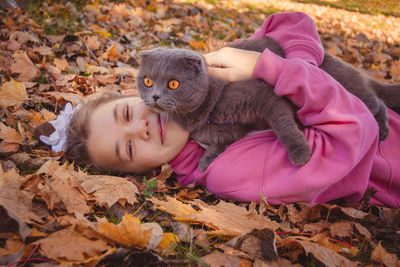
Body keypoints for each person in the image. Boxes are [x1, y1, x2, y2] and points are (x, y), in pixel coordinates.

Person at [39, 12, 400, 208]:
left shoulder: (198, 85)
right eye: (130, 148)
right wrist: (274, 69)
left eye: (128, 114)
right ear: (145, 175)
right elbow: (356, 131)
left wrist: (300, 64)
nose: (142, 128)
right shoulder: (228, 172)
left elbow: (290, 23)